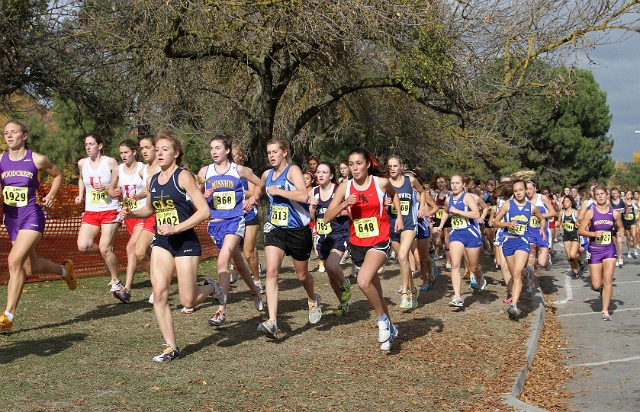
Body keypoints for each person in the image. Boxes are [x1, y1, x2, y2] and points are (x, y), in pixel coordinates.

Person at [120, 129, 225, 362]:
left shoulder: (184, 176)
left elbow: (204, 211)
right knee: (159, 293)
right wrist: (130, 215)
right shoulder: (153, 180)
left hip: (185, 241)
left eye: (164, 149)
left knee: (188, 301)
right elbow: (150, 209)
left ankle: (211, 288)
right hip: (163, 241)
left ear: (176, 153)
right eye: (157, 150)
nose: (159, 153)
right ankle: (171, 347)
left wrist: (177, 228)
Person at [0, 120, 76, 333]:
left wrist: (51, 195)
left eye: (13, 132)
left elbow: (58, 174)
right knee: (29, 267)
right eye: (6, 133)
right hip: (11, 218)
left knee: (13, 260)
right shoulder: (1, 161)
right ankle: (64, 270)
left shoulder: (37, 159)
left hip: (31, 215)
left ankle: (8, 316)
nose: (9, 136)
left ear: (24, 135)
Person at [324, 147, 402, 351]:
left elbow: (395, 196)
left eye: (359, 163)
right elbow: (326, 217)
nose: (355, 168)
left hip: (379, 240)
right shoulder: (345, 187)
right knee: (375, 289)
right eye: (351, 164)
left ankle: (382, 321)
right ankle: (391, 328)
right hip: (357, 244)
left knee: (363, 281)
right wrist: (343, 205)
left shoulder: (380, 183)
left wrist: (399, 217)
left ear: (368, 164)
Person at [257, 138, 322, 339]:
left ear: (284, 152)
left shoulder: (292, 170)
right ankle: (272, 321)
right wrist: (251, 198)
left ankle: (313, 299)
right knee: (271, 271)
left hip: (297, 230)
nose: (271, 155)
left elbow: (303, 196)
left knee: (302, 276)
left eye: (275, 151)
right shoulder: (267, 174)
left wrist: (279, 192)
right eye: (269, 152)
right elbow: (259, 189)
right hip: (276, 228)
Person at [197, 135, 264, 326]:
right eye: (211, 148)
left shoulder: (239, 170)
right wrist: (203, 194)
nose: (214, 152)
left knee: (222, 262)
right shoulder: (205, 171)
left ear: (227, 150)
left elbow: (261, 184)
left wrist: (252, 199)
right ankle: (255, 291)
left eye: (217, 148)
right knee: (239, 264)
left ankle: (221, 311)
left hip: (235, 221)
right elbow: (193, 193)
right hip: (215, 223)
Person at [75, 134, 122, 298]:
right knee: (83, 245)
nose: (88, 147)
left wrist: (107, 186)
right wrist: (80, 194)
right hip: (91, 211)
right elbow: (81, 179)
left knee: (104, 247)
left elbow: (121, 182)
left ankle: (116, 281)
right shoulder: (82, 163)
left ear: (100, 146)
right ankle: (106, 254)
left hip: (110, 209)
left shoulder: (110, 162)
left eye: (91, 144)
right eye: (86, 144)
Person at [493, 179, 546, 318]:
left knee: (516, 274)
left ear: (525, 190)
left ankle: (514, 306)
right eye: (515, 191)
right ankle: (527, 272)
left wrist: (542, 229)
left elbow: (542, 218)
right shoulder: (507, 205)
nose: (518, 193)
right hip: (508, 243)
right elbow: (495, 222)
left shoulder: (531, 207)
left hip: (522, 242)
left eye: (521, 190)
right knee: (515, 272)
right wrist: (507, 224)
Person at [308, 162, 352, 316]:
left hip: (339, 233)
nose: (320, 175)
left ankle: (346, 283)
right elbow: (311, 218)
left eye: (324, 172)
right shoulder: (314, 191)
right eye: (318, 172)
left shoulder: (339, 190)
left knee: (333, 266)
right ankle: (343, 303)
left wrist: (339, 211)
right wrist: (312, 207)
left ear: (331, 175)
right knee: (329, 272)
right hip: (323, 236)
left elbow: (351, 209)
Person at [433, 174, 482, 308]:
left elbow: (476, 214)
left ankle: (479, 276)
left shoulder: (467, 197)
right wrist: (441, 226)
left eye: (457, 183)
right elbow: (446, 212)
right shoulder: (449, 199)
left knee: (473, 266)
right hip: (457, 234)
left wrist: (459, 212)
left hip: (471, 234)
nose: (454, 186)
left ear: (463, 185)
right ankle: (457, 297)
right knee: (455, 264)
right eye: (452, 183)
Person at [578, 184, 624, 321]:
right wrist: (593, 233)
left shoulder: (614, 213)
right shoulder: (590, 212)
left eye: (602, 194)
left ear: (607, 195)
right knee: (597, 284)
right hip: (594, 250)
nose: (600, 196)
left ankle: (605, 310)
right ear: (594, 197)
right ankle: (602, 291)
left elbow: (620, 227)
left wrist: (620, 233)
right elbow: (581, 230)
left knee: (608, 280)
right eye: (597, 194)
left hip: (609, 249)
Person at [107, 139, 146, 303]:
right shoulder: (117, 170)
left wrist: (139, 196)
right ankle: (164, 280)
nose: (123, 155)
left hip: (144, 213)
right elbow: (110, 190)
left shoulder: (143, 169)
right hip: (128, 215)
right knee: (144, 254)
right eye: (121, 153)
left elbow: (150, 188)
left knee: (131, 248)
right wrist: (113, 191)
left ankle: (127, 290)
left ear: (134, 152)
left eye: (126, 152)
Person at [386, 156, 426, 309]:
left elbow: (422, 192)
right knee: (403, 261)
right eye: (390, 166)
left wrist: (422, 207)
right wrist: (384, 203)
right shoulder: (385, 183)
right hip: (392, 225)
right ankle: (413, 291)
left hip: (408, 223)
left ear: (401, 167)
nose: (392, 168)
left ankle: (404, 294)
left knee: (403, 255)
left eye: (395, 165)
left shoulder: (410, 181)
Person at [231, 147, 263, 294]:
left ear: (240, 157)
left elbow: (254, 191)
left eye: (234, 155)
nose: (231, 157)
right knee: (229, 250)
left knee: (248, 252)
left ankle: (257, 281)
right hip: (231, 215)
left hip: (248, 213)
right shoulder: (220, 172)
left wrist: (237, 190)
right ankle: (236, 267)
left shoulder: (245, 170)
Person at [524, 181, 554, 292]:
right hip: (529, 233)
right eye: (526, 189)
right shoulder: (524, 200)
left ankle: (547, 261)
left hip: (542, 232)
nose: (528, 191)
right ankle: (530, 284)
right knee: (530, 259)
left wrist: (541, 216)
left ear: (535, 188)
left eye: (530, 188)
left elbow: (553, 212)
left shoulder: (542, 198)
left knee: (541, 262)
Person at [558, 195, 583, 278]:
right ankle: (576, 272)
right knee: (569, 256)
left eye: (567, 201)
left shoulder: (575, 212)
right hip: (566, 235)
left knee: (573, 254)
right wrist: (557, 224)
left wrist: (578, 224)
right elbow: (559, 222)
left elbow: (581, 222)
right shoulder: (562, 213)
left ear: (571, 203)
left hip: (574, 234)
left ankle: (579, 260)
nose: (565, 203)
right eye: (564, 202)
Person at [609, 187, 626, 267]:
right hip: (612, 225)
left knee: (619, 241)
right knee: (614, 242)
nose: (614, 195)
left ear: (618, 193)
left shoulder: (622, 201)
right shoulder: (610, 202)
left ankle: (621, 258)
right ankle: (615, 257)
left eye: (616, 193)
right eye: (613, 193)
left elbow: (627, 208)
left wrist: (625, 215)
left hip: (620, 224)